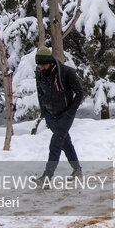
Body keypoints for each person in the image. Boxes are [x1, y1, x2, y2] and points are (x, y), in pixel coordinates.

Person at [35, 46, 84, 186]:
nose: (41, 67)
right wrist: (44, 113)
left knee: (55, 143)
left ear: (50, 62)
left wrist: (70, 112)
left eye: (43, 64)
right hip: (51, 116)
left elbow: (80, 92)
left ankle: (47, 176)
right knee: (65, 143)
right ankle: (77, 170)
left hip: (65, 114)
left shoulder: (66, 72)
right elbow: (40, 94)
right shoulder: (39, 74)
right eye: (39, 65)